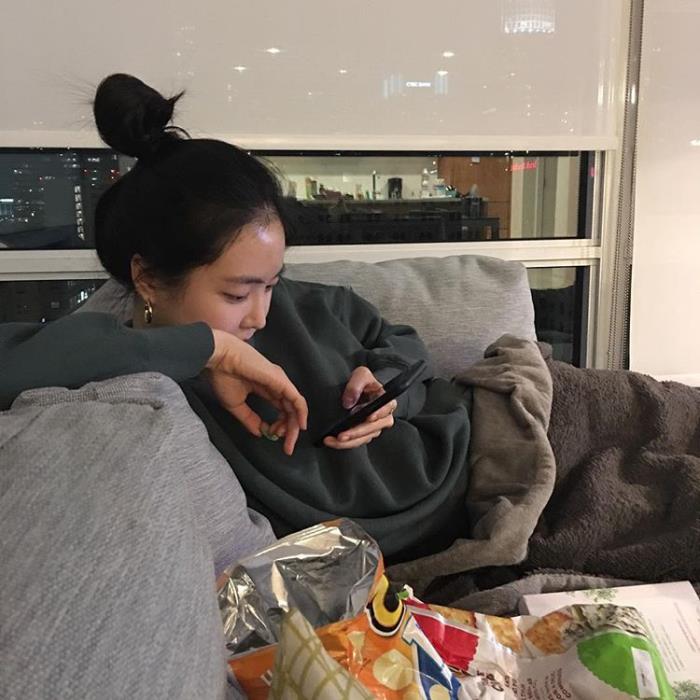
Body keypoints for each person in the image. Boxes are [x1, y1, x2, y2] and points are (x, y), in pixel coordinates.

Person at [40, 73, 473, 563]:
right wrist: (205, 351)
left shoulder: (308, 304)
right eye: (237, 293)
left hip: (450, 461)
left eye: (271, 283)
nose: (261, 315)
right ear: (149, 279)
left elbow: (404, 346)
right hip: (360, 540)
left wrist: (386, 389)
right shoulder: (129, 381)